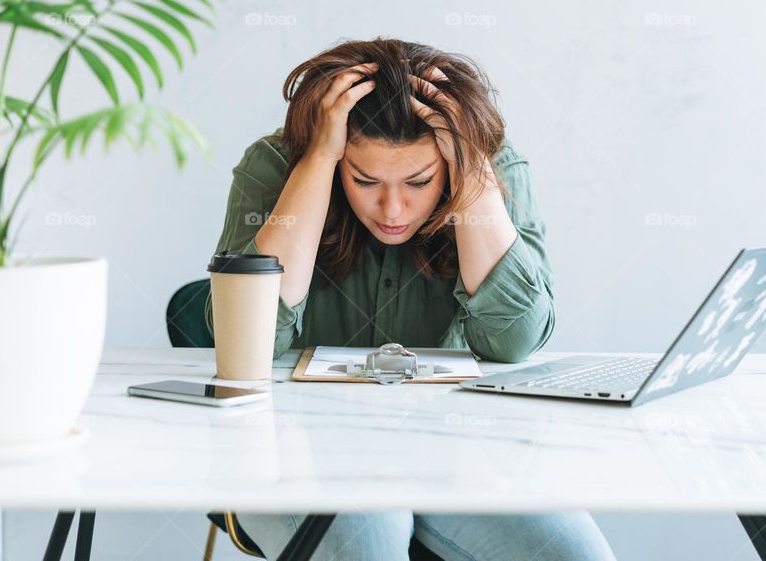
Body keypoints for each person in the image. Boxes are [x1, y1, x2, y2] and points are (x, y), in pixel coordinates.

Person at [207, 38, 615, 560]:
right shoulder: (276, 166)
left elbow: (514, 340)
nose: (393, 208)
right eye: (364, 179)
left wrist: (470, 168)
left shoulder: (492, 169)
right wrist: (318, 161)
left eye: (419, 182)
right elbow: (248, 345)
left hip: (452, 447)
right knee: (367, 542)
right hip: (296, 447)